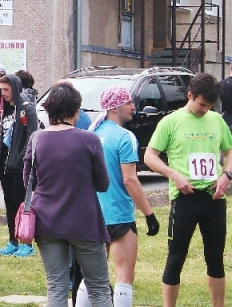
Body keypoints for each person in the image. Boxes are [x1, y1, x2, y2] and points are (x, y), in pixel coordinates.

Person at [144, 72, 232, 307]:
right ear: (190, 95)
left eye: (210, 106)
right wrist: (174, 175)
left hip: (213, 197)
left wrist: (226, 175)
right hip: (185, 197)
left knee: (215, 258)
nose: (205, 110)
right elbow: (150, 156)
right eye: (202, 104)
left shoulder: (216, 120)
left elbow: (229, 151)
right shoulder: (171, 122)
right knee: (176, 258)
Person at [24, 81, 111, 307]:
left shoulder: (36, 139)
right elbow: (103, 184)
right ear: (76, 110)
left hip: (46, 221)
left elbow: (28, 183)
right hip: (84, 222)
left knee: (56, 286)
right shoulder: (89, 139)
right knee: (98, 287)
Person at [78, 86, 160, 307]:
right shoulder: (125, 137)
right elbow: (130, 180)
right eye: (128, 103)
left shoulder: (90, 134)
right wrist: (149, 214)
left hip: (93, 214)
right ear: (114, 107)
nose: (133, 107)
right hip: (119, 214)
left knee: (91, 275)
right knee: (125, 274)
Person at [0, 73, 38, 258]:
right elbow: (1, 137)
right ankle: (13, 240)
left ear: (16, 89)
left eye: (7, 89)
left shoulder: (26, 109)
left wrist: (21, 158)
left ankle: (26, 242)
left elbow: (31, 136)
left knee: (21, 204)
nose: (3, 93)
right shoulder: (6, 110)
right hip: (4, 166)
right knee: (9, 204)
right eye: (1, 90)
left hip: (19, 166)